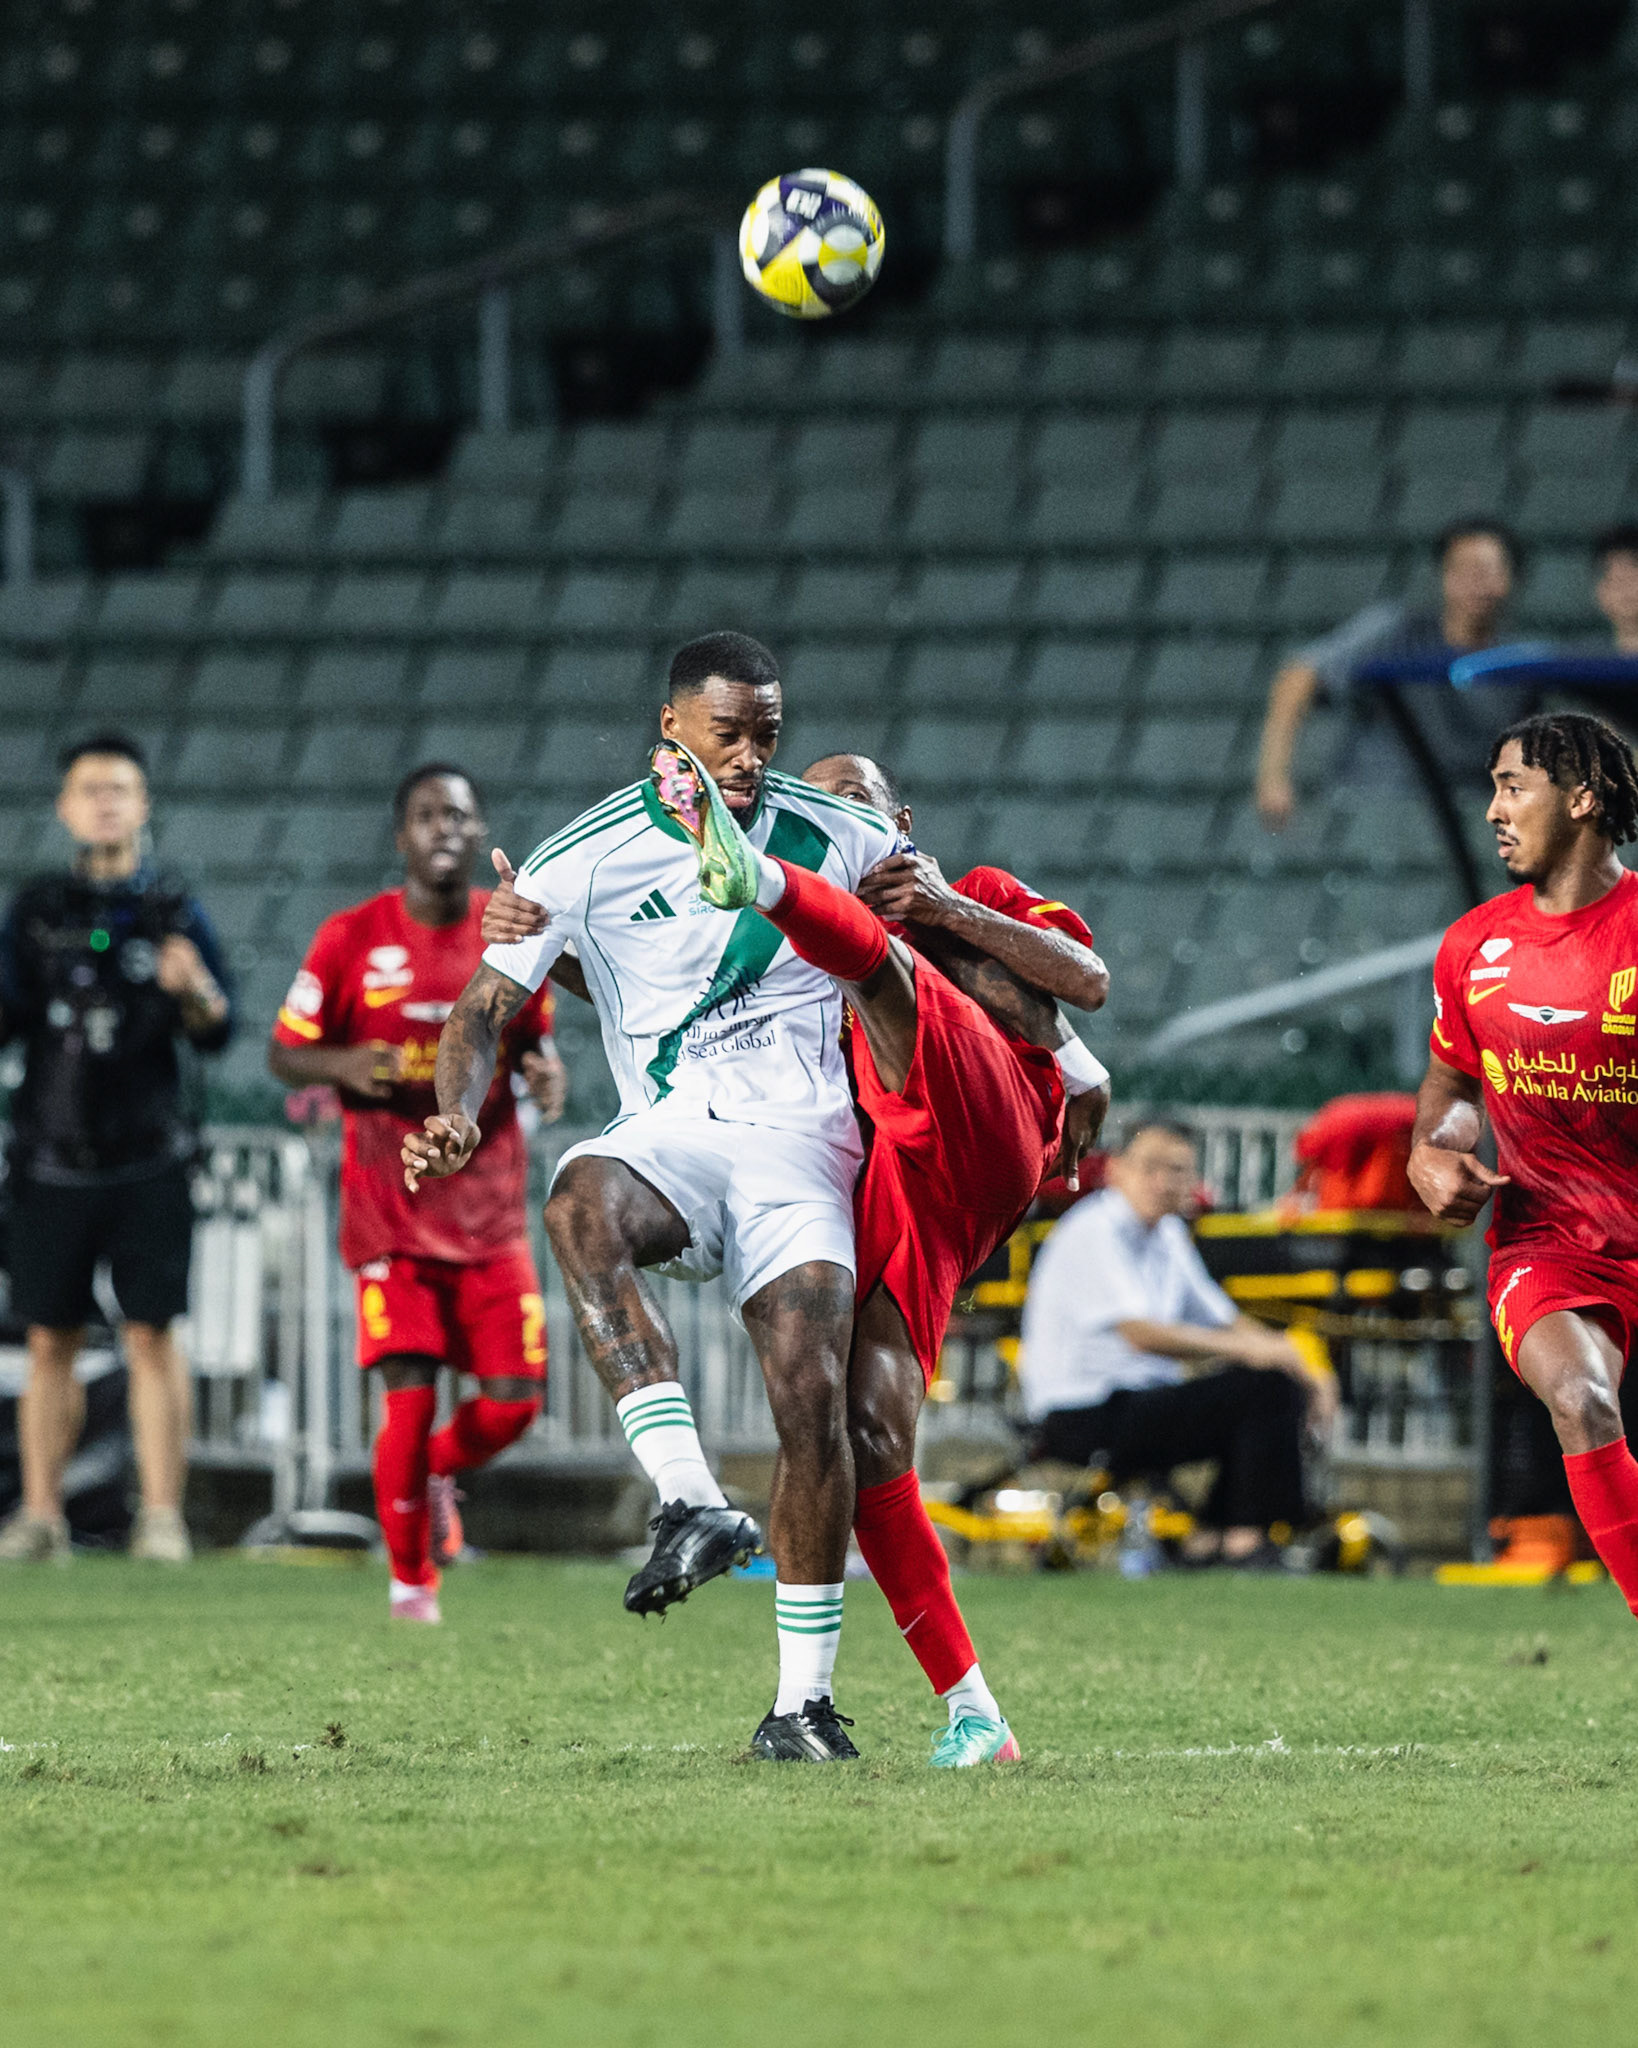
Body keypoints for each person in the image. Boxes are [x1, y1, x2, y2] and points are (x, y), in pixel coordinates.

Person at [557, 743, 1111, 1762]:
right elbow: (670, 992)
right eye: (815, 812)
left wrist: (947, 909)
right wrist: (539, 933)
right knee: (872, 1435)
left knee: (886, 959)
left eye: (853, 807)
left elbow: (1086, 978)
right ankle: (975, 1710)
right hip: (905, 1187)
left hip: (986, 1122)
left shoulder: (962, 892)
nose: (835, 825)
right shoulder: (783, 952)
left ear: (897, 821)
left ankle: (805, 898)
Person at [406, 633, 897, 1758]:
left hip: (806, 1148)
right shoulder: (582, 854)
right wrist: (460, 1112)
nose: (752, 755)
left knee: (810, 1398)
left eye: (768, 733)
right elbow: (479, 1010)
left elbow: (937, 952)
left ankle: (801, 1706)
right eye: (729, 732)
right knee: (580, 1202)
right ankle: (687, 1497)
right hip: (673, 1131)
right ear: (674, 723)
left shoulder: (841, 835)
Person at [268, 764, 566, 1624]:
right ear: (400, 836)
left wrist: (548, 1075)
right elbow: (286, 1052)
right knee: (408, 1389)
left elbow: (537, 1039)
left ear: (479, 836)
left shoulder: (503, 929)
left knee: (514, 1405)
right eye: (427, 816)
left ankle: (436, 1470)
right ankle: (411, 1586)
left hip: (491, 1215)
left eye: (460, 817)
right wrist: (341, 1065)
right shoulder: (349, 937)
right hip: (390, 1213)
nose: (444, 829)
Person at [1408, 710, 1638, 1619]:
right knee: (1581, 1401)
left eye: (1514, 787)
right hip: (1549, 1242)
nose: (1494, 810)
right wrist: (1438, 1148)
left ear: (1582, 798)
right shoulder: (1474, 945)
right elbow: (1450, 1082)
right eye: (1493, 788)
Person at [0, 731, 234, 1565]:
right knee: (49, 1337)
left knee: (151, 1334)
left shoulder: (174, 906)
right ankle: (40, 1518)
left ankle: (162, 1518)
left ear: (142, 804)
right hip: (51, 1157)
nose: (105, 801)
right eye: (90, 789)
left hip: (151, 1157)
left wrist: (194, 989)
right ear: (66, 807)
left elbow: (220, 1028)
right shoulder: (35, 911)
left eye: (120, 788)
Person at [1018, 1118, 1331, 1566]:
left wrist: (1299, 1360)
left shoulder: (1167, 1235)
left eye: (1179, 1170)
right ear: (1116, 1170)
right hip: (1082, 1413)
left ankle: (1213, 1539)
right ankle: (1241, 1539)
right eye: (1151, 1167)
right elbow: (1141, 1334)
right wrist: (1257, 1353)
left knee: (1272, 1381)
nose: (1164, 1182)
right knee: (1263, 1390)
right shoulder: (1094, 1230)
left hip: (1138, 1403)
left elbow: (1223, 1319)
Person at [1255, 519, 1533, 901]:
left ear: (1512, 580)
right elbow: (1297, 679)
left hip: (1464, 824)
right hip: (1371, 813)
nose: (1477, 582)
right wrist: (1273, 778)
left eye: (1489, 570)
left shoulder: (1525, 662)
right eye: (1463, 569)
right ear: (1444, 577)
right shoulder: (1394, 630)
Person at [1593, 522, 1638, 654]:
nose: (1626, 592)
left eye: (1633, 580)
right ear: (1600, 591)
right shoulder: (1581, 662)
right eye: (1617, 582)